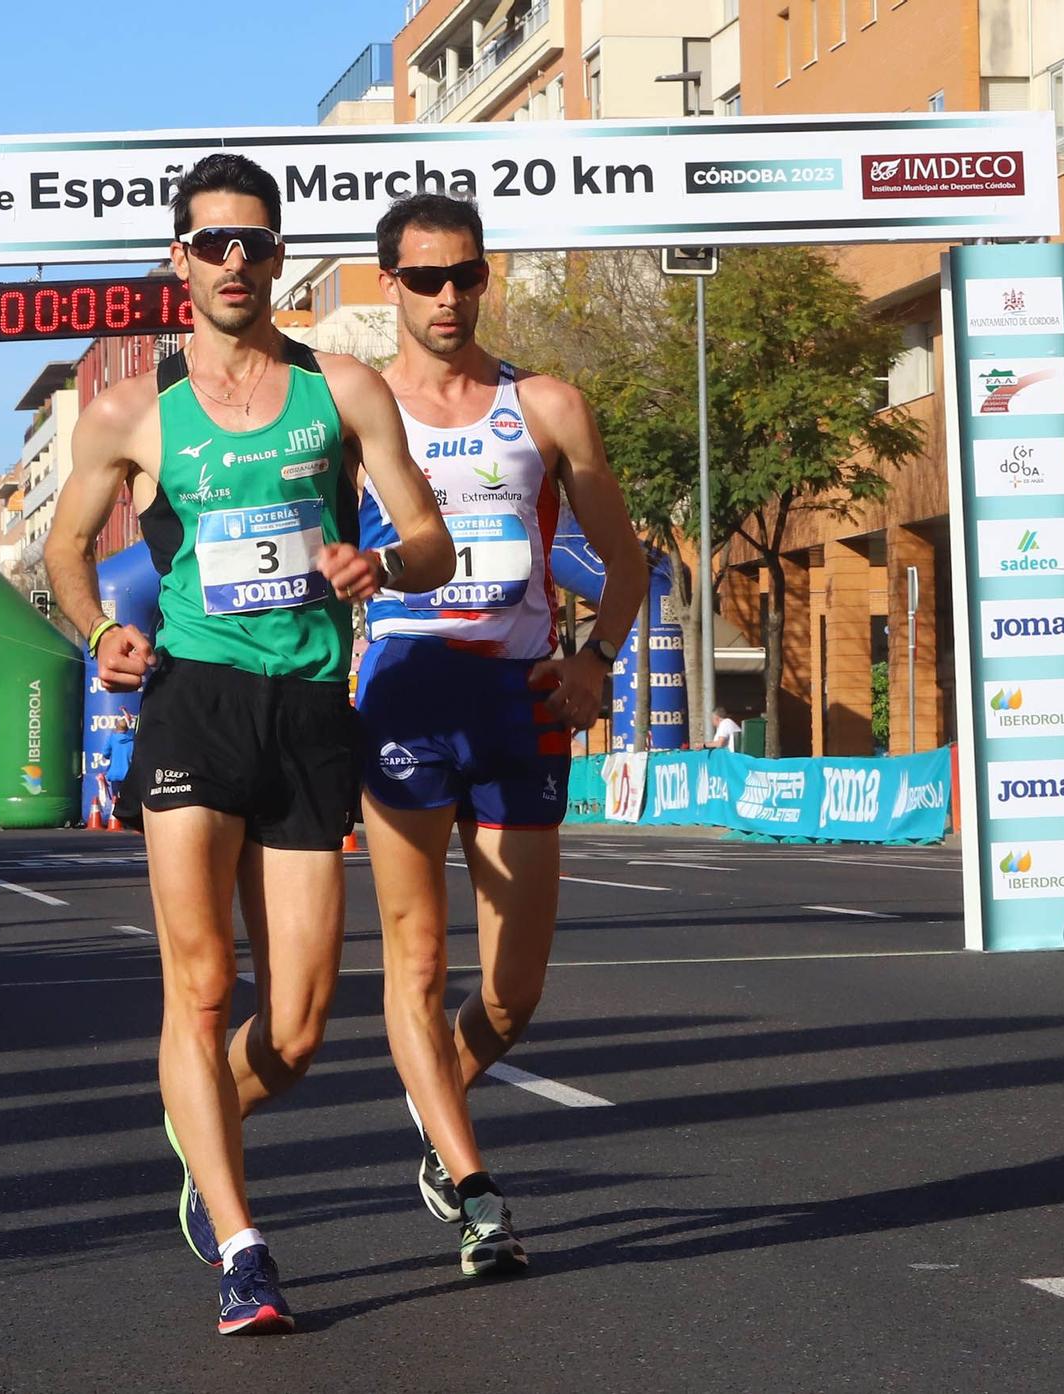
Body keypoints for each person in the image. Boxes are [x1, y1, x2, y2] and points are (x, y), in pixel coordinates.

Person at [46, 152, 452, 1335]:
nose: (236, 261)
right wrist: (98, 633)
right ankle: (241, 1243)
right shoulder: (131, 412)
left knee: (298, 1021)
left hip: (312, 707)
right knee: (200, 977)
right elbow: (68, 552)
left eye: (256, 243)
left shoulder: (346, 389)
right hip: (194, 700)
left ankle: (199, 1115)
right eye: (214, 243)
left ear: (280, 258)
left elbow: (427, 539)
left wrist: (378, 561)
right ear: (179, 260)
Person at [355, 192, 647, 1278]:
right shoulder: (353, 408)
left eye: (464, 275)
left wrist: (593, 659)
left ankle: (435, 1100)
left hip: (518, 701)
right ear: (386, 283)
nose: (446, 296)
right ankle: (475, 1189)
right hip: (403, 689)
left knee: (511, 993)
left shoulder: (548, 406)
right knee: (414, 955)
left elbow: (624, 561)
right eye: (424, 278)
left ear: (485, 277)